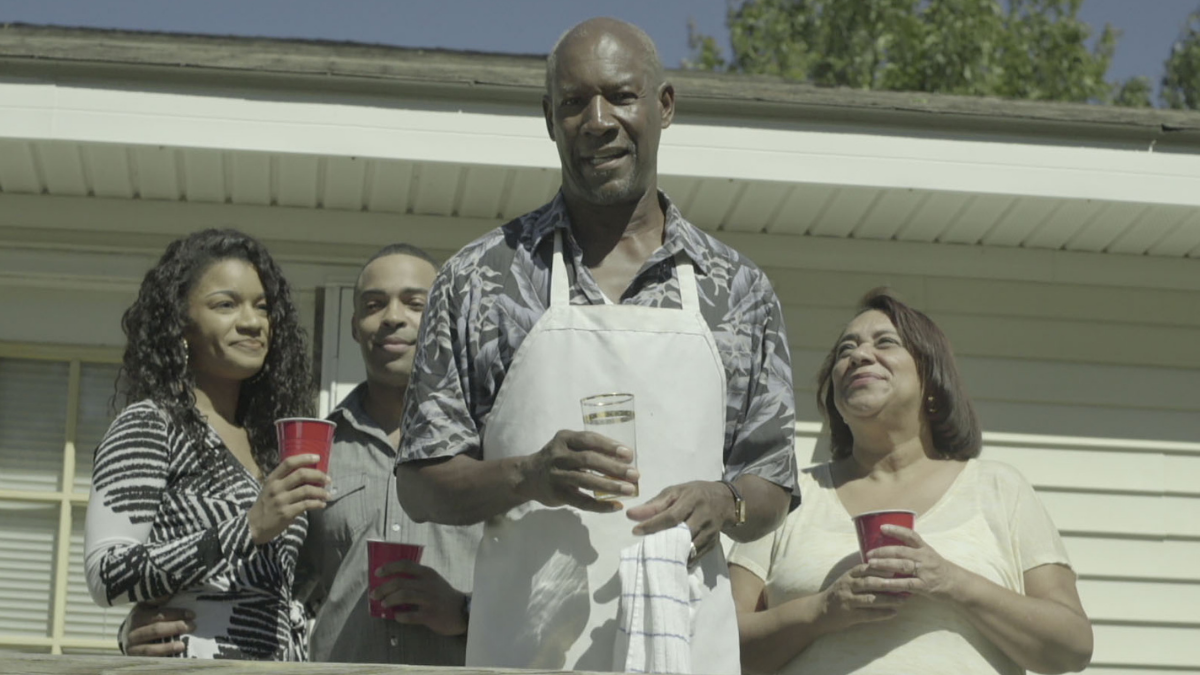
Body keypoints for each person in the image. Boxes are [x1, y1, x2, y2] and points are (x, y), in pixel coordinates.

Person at [395, 17, 799, 674]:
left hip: (686, 650)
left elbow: (773, 480)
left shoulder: (739, 290)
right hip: (520, 653)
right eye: (574, 102)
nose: (598, 120)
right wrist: (529, 475)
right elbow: (420, 482)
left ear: (663, 106)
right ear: (549, 119)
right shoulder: (480, 278)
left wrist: (726, 501)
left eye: (620, 95)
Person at [118, 244, 482, 666]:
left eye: (415, 303)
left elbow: (546, 579)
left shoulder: (487, 442)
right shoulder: (313, 448)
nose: (393, 317)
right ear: (354, 325)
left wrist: (464, 612)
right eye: (374, 304)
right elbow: (273, 581)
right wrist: (142, 626)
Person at [728, 289, 1093, 675]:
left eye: (885, 342)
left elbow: (1071, 647)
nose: (859, 355)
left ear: (932, 383)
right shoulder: (790, 497)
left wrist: (951, 582)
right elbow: (719, 641)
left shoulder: (1000, 489)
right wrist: (822, 611)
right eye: (845, 350)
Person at [84, 228, 323, 660]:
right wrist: (247, 527)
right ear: (181, 324)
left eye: (262, 307)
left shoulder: (270, 442)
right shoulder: (151, 425)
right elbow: (106, 572)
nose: (252, 322)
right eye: (226, 304)